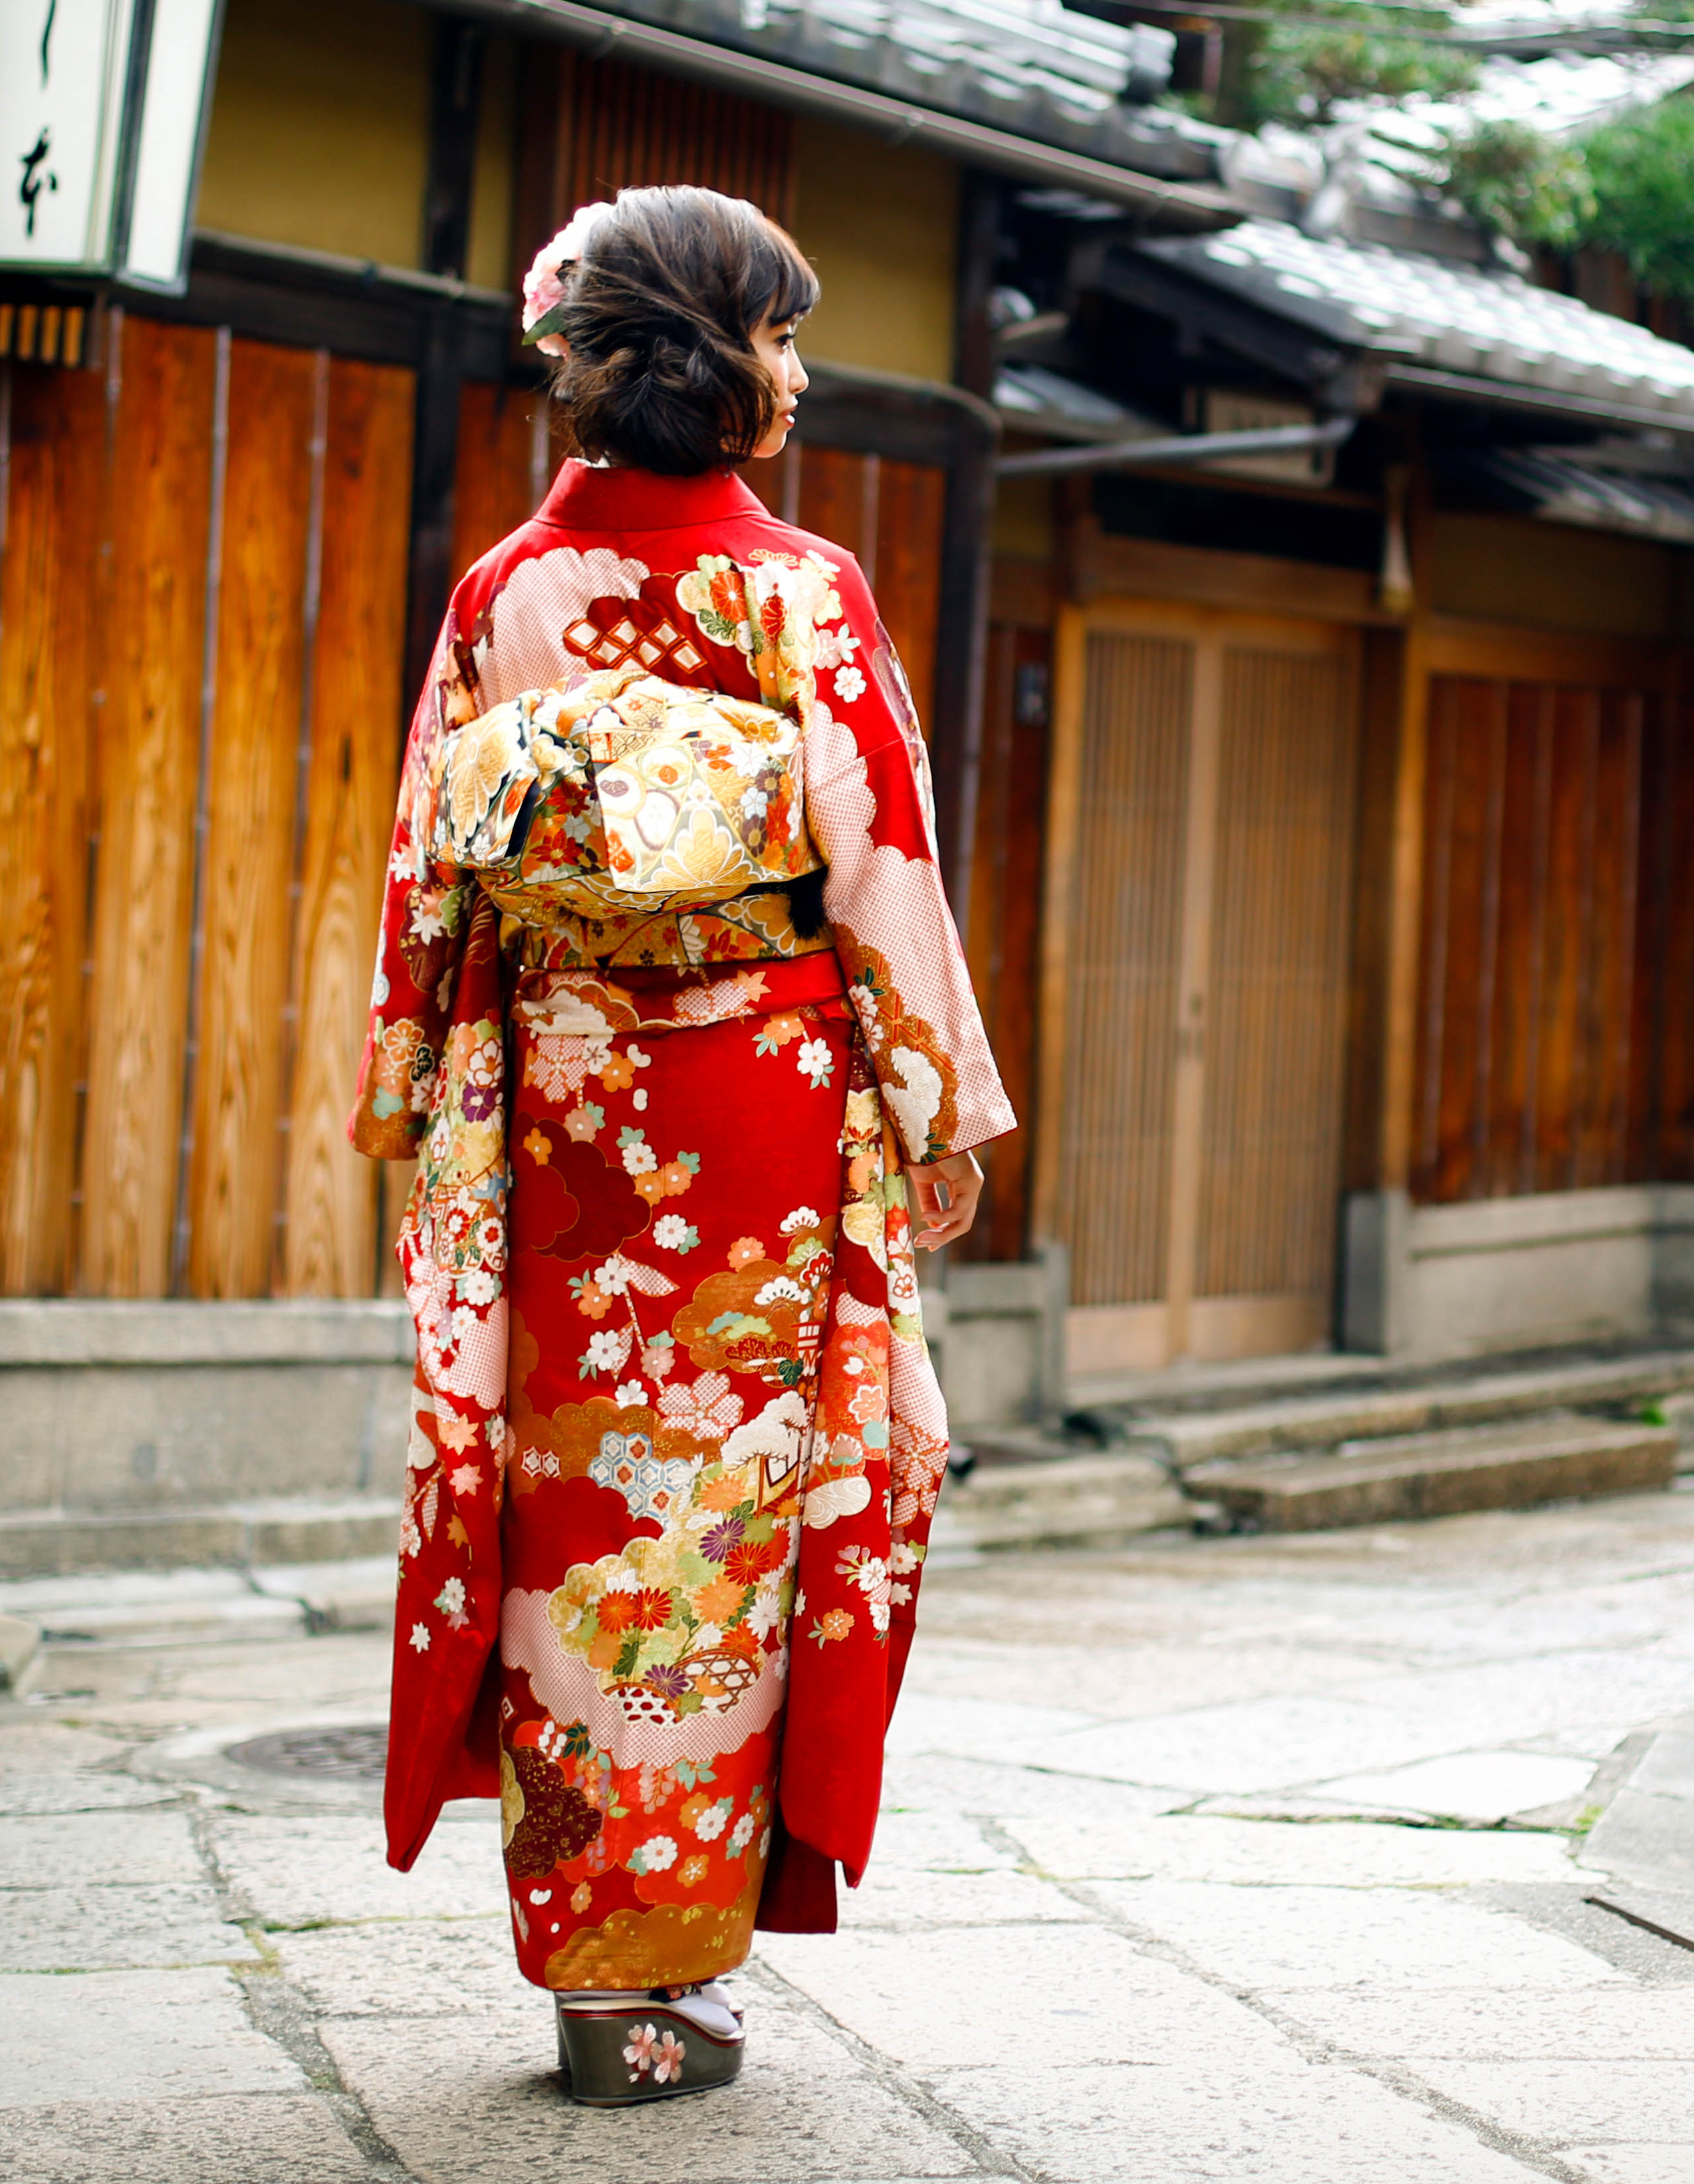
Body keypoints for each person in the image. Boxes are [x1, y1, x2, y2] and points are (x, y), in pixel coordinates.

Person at [349, 185, 1011, 2107]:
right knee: (736, 1518)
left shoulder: (500, 597)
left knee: (576, 1526)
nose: (800, 374)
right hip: (759, 1121)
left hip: (565, 1105)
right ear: (723, 368)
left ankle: (600, 1967)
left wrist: (415, 1085)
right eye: (785, 339)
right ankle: (686, 1955)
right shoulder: (798, 594)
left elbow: (425, 878)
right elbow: (884, 871)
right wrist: (937, 1109)